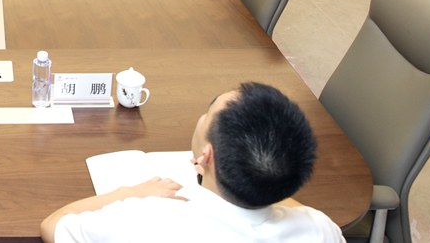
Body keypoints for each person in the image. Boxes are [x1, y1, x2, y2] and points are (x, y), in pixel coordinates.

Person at [41, 82, 344, 243]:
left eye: (208, 114)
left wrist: (129, 193)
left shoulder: (143, 220)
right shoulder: (319, 230)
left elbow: (54, 226)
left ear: (206, 156)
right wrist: (267, 186)